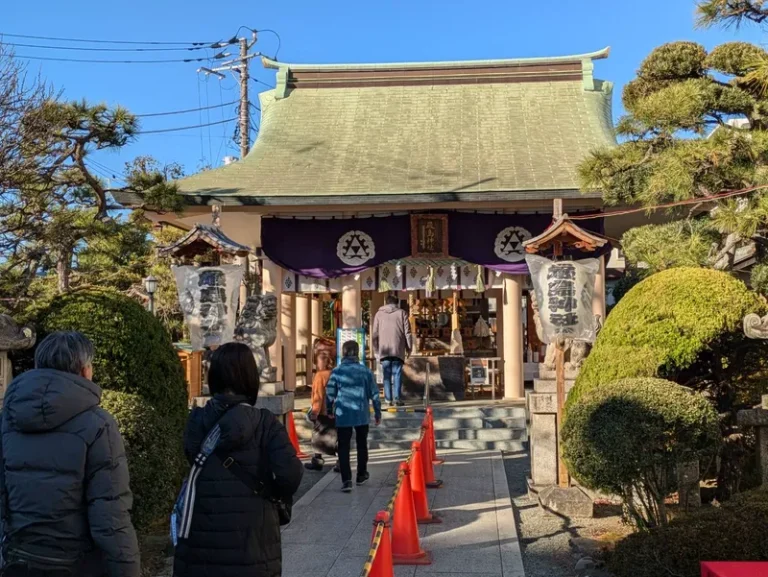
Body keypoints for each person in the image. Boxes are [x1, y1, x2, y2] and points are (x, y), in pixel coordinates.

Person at [0, 331, 140, 577]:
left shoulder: (8, 419)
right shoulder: (98, 424)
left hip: (18, 557)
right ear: (84, 369)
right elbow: (109, 512)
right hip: (76, 562)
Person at [174, 342, 303, 577]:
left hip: (201, 532)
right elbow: (291, 472)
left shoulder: (197, 420)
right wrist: (271, 493)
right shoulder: (265, 423)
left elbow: (192, 457)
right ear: (250, 378)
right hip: (253, 536)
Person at [326, 340, 382, 493]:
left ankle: (346, 480)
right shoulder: (365, 371)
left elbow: (330, 393)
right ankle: (361, 474)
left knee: (343, 446)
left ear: (343, 353)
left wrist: (329, 410)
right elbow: (374, 394)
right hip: (361, 413)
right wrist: (378, 412)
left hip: (343, 413)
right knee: (361, 443)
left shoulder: (337, 372)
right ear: (357, 353)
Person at [372, 295, 413, 407]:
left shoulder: (379, 314)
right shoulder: (402, 313)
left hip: (384, 349)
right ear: (397, 303)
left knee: (386, 374)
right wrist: (409, 348)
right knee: (397, 373)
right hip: (398, 348)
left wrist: (376, 350)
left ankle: (388, 399)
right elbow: (407, 332)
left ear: (386, 302)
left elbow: (375, 334)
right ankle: (397, 398)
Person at [304, 351, 335, 472]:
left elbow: (318, 395)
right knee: (336, 437)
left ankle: (317, 461)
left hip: (323, 411)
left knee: (317, 436)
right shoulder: (335, 373)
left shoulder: (320, 376)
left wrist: (314, 411)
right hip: (335, 410)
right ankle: (339, 462)